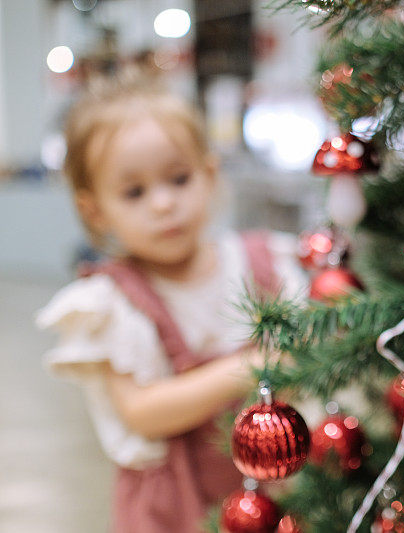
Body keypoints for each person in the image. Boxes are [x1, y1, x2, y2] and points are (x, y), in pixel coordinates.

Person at [35, 73, 305, 532]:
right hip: (172, 509)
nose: (162, 203)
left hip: (274, 492)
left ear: (208, 173)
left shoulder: (263, 263)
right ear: (95, 210)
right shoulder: (112, 302)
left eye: (178, 179)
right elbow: (141, 412)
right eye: (134, 192)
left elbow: (305, 364)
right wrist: (250, 367)